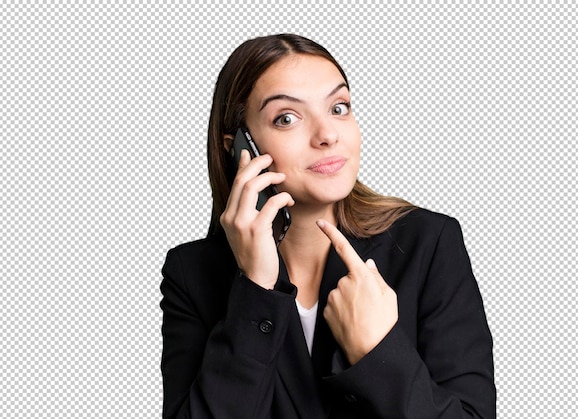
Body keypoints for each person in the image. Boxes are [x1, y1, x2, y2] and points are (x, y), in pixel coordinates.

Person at [160, 33, 495, 418]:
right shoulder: (192, 274)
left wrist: (379, 351)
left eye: (339, 108)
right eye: (287, 118)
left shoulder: (427, 243)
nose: (327, 135)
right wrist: (255, 292)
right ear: (238, 147)